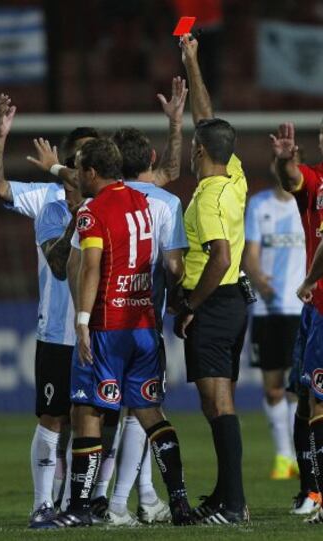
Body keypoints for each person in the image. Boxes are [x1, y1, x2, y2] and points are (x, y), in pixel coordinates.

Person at [52, 137, 195, 528]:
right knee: (150, 412)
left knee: (88, 412)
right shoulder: (145, 205)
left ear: (91, 173)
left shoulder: (91, 211)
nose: (76, 173)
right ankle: (179, 502)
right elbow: (166, 262)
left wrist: (82, 321)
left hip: (107, 327)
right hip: (144, 325)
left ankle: (80, 507)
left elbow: (91, 267)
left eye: (78, 167)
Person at [0, 94, 99, 526]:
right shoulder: (48, 201)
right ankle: (41, 506)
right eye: (86, 157)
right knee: (54, 419)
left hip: (100, 330)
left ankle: (80, 505)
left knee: (92, 421)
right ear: (71, 165)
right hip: (58, 332)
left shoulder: (109, 202)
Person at [173, 34, 249, 525]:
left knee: (217, 401)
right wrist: (193, 62)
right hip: (231, 302)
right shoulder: (235, 175)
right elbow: (207, 116)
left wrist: (191, 306)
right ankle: (225, 496)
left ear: (199, 150)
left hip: (215, 301)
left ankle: (235, 504)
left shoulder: (207, 199)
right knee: (214, 399)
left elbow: (219, 257)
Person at [271, 121, 323, 523]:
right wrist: (284, 159)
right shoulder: (318, 183)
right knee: (305, 398)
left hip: (319, 302)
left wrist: (308, 279)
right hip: (314, 310)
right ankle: (310, 490)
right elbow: (292, 179)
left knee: (316, 399)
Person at [244, 158, 305, 480]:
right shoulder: (259, 204)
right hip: (267, 309)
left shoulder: (306, 204)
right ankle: (284, 457)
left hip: (301, 309)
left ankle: (298, 454)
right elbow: (249, 254)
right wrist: (258, 279)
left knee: (299, 388)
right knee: (273, 389)